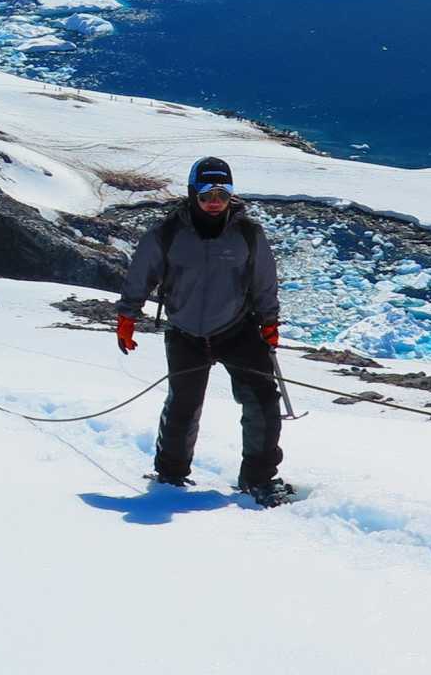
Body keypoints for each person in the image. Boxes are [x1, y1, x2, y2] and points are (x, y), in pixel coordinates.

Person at [114, 155, 295, 506]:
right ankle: (170, 475)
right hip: (185, 333)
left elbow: (264, 281)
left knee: (262, 402)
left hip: (237, 329)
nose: (214, 203)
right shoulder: (166, 234)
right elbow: (141, 274)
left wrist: (269, 322)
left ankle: (258, 479)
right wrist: (127, 316)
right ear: (192, 193)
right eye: (207, 195)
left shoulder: (247, 233)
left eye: (222, 194)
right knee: (183, 405)